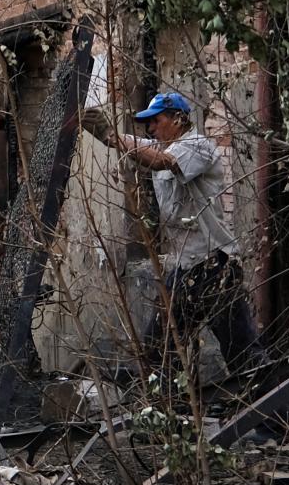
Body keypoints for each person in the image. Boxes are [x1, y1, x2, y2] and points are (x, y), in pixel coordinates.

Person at [84, 90, 262, 383]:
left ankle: (272, 417)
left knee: (241, 351)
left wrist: (112, 136)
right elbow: (142, 148)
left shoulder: (198, 146)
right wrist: (104, 134)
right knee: (160, 348)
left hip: (213, 265)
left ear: (179, 119)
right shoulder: (162, 145)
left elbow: (160, 161)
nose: (151, 128)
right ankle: (173, 418)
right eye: (148, 124)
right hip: (186, 267)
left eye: (156, 121)